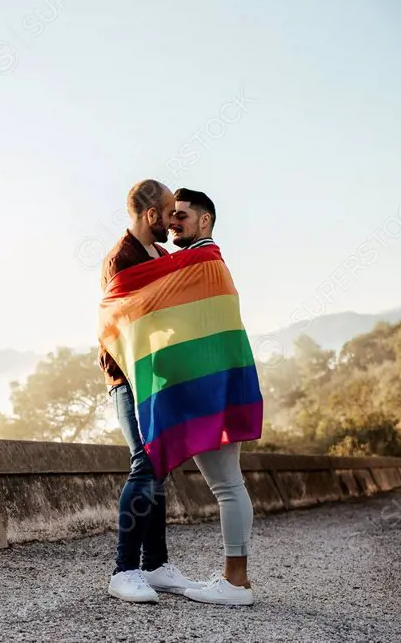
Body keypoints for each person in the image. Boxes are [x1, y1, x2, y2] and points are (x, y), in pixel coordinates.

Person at [100, 179, 202, 603]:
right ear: (150, 215)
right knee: (144, 462)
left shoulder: (160, 255)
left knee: (158, 464)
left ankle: (156, 565)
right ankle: (124, 570)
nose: (174, 220)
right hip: (127, 377)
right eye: (169, 213)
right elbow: (123, 325)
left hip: (159, 376)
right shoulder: (120, 260)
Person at [168, 188, 256, 606]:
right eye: (170, 215)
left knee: (226, 485)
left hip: (212, 390)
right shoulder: (206, 261)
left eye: (181, 215)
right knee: (228, 483)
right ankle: (233, 578)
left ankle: (235, 583)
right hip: (216, 386)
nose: (172, 222)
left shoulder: (200, 260)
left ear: (205, 221)